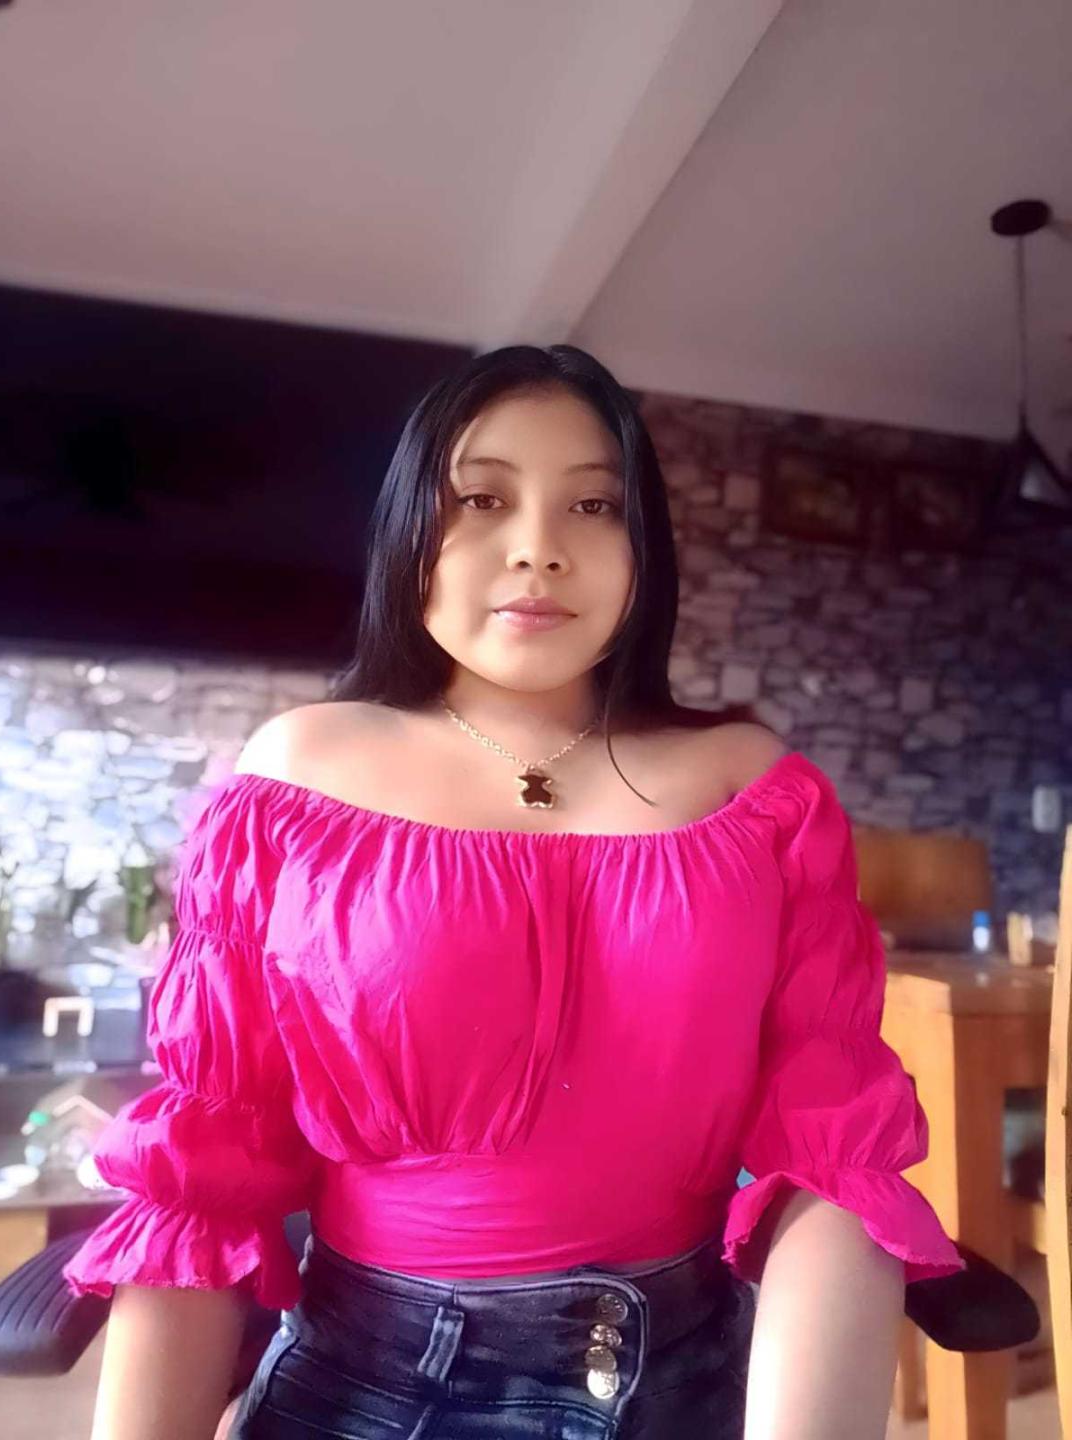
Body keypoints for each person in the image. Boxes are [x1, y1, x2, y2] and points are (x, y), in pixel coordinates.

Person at [63, 344, 965, 1440]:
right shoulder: (295, 781)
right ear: (410, 531)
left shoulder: (758, 792)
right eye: (483, 498)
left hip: (690, 1382)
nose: (540, 548)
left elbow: (834, 1161)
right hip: (366, 1385)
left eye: (594, 505)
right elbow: (204, 1169)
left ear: (643, 546)